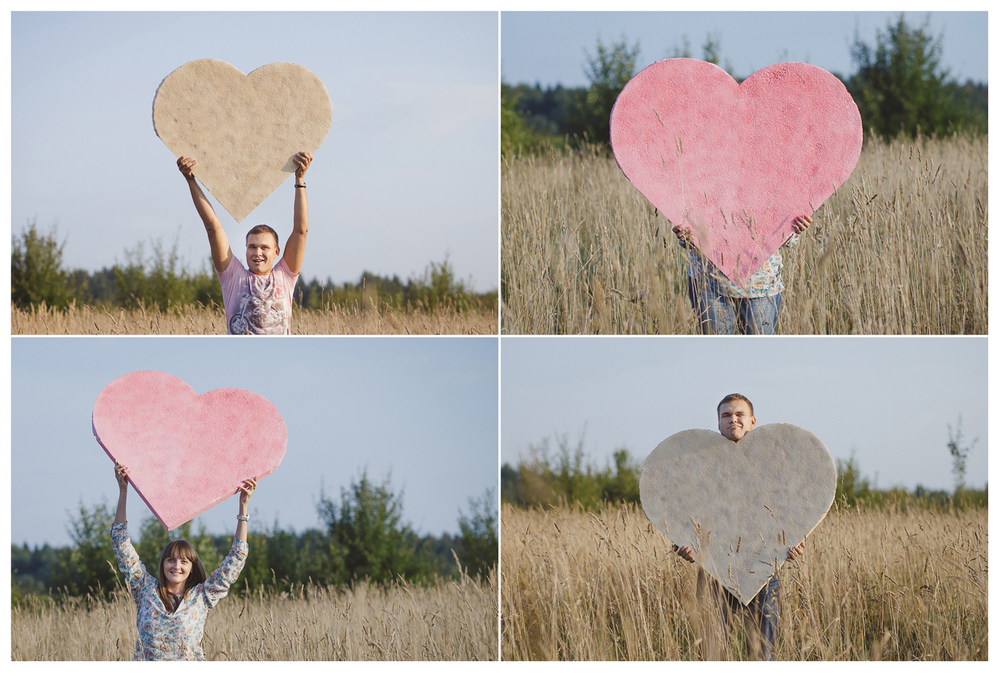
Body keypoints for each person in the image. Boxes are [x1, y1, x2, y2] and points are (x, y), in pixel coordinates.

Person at [674, 393, 806, 660]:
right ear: (718, 423)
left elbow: (790, 511)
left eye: (739, 415)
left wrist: (792, 544)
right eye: (726, 415)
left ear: (752, 421)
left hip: (764, 574)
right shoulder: (701, 467)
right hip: (713, 574)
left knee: (762, 656)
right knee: (710, 656)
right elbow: (682, 512)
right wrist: (681, 544)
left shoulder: (772, 466)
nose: (732, 419)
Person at [111, 462, 256, 660]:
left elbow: (237, 557)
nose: (176, 566)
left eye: (184, 562)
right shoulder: (144, 588)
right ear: (163, 564)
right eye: (171, 560)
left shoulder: (202, 596)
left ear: (191, 567)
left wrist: (243, 508)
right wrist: (123, 491)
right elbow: (121, 542)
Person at [177, 151, 313, 334]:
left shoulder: (285, 276)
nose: (257, 253)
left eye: (265, 247)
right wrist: (191, 180)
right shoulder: (232, 276)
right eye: (252, 247)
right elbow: (213, 227)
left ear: (276, 252)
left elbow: (301, 230)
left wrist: (300, 179)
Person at [672, 216, 812, 334]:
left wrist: (794, 228)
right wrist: (686, 234)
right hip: (709, 280)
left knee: (758, 357)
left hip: (761, 284)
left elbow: (787, 236)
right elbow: (688, 206)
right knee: (719, 355)